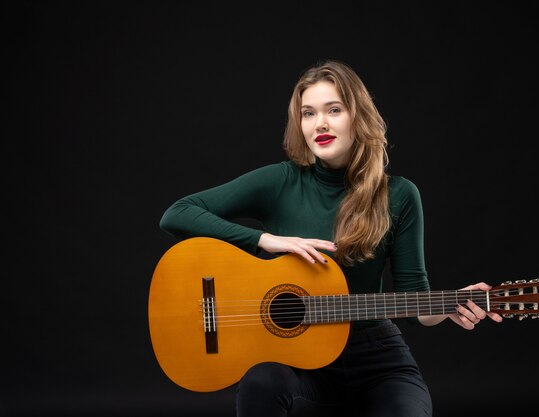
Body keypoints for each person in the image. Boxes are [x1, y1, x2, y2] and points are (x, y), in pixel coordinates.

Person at [159, 59, 503, 417]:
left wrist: (451, 307)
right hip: (298, 362)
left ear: (358, 116)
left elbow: (415, 299)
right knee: (261, 382)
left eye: (333, 110)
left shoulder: (399, 195)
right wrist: (266, 241)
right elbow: (177, 214)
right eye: (308, 113)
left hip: (376, 359)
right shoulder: (280, 182)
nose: (319, 123)